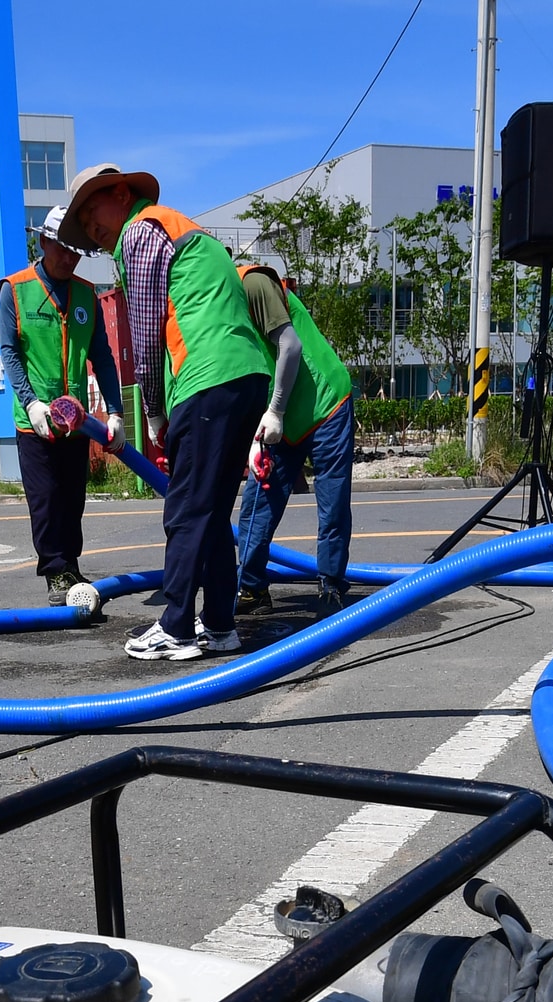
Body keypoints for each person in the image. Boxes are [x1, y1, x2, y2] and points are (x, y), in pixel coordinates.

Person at [60, 163, 271, 661]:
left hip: (208, 379)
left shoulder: (141, 231)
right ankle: (219, 625)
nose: (95, 230)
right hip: (245, 377)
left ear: (119, 193)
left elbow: (149, 329)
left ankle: (176, 624)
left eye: (95, 213)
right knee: (213, 512)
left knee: (185, 510)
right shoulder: (182, 228)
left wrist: (153, 411)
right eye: (87, 227)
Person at [0, 208, 126, 605]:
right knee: (47, 498)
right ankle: (55, 570)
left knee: (73, 499)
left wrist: (116, 410)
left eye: (76, 252)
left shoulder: (86, 293)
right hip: (34, 421)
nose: (69, 259)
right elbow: (10, 352)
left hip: (77, 422)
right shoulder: (15, 290)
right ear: (43, 242)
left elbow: (102, 357)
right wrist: (32, 402)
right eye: (63, 249)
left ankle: (70, 566)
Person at [233, 264, 355, 620]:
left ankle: (331, 584)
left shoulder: (251, 283)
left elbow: (291, 346)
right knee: (257, 501)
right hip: (279, 414)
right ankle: (252, 587)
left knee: (331, 502)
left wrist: (273, 411)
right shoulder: (213, 310)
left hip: (324, 402)